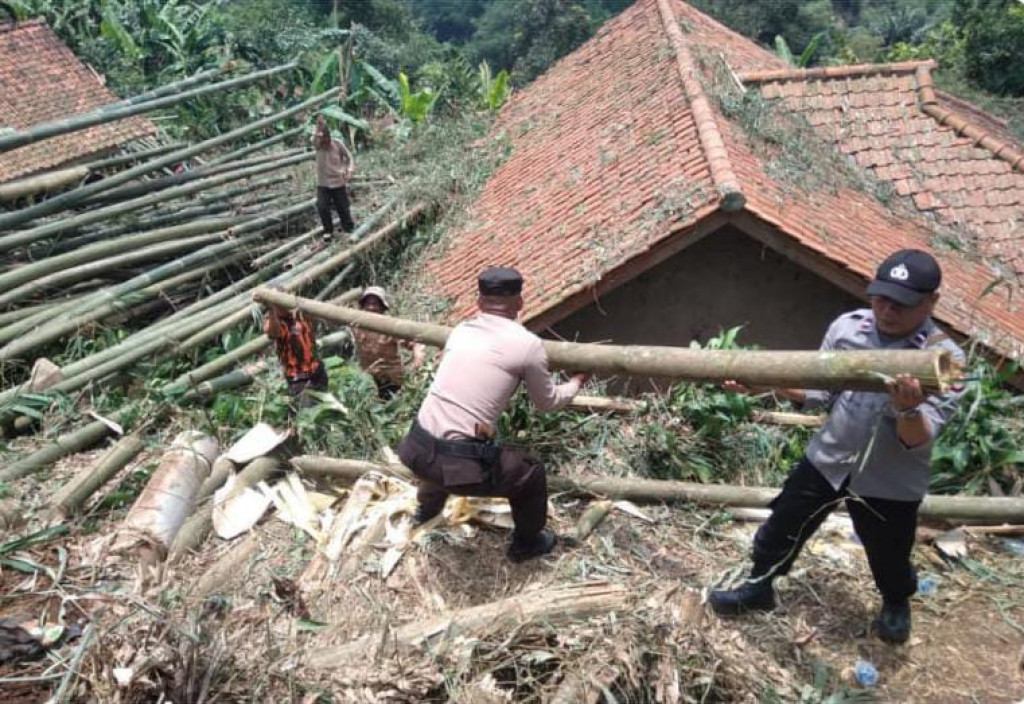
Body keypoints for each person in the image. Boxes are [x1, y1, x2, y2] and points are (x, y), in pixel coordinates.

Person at [708, 249, 965, 645]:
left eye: (902, 303)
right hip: (830, 455)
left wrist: (907, 409)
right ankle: (759, 586)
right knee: (782, 526)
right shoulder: (847, 329)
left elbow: (919, 437)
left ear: (931, 302)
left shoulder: (944, 361)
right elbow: (819, 392)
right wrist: (766, 384)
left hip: (890, 477)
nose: (887, 310)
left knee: (890, 554)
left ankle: (896, 603)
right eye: (881, 297)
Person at [397, 267, 589, 562]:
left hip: (414, 448)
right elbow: (547, 403)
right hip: (455, 465)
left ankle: (427, 510)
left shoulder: (461, 331)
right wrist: (575, 383)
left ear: (479, 300)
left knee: (444, 442)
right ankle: (527, 543)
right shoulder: (527, 346)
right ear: (520, 302)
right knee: (531, 473)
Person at [351, 286, 424, 400]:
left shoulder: (390, 326)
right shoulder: (358, 325)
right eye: (368, 304)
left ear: (382, 307)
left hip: (391, 380)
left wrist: (418, 358)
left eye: (375, 304)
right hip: (370, 379)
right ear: (363, 306)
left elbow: (414, 342)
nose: (371, 307)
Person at [263, 295, 328, 407]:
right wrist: (271, 310)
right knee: (308, 415)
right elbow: (272, 332)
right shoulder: (276, 321)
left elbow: (320, 316)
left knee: (324, 408)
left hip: (317, 371)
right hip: (299, 378)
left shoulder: (301, 315)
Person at [313, 114, 355, 238]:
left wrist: (350, 170)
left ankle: (349, 228)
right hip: (323, 183)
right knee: (322, 207)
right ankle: (328, 231)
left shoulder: (337, 144)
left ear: (329, 137)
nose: (324, 144)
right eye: (322, 141)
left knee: (343, 207)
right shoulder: (317, 144)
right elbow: (315, 138)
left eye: (326, 141)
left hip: (338, 181)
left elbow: (350, 157)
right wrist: (318, 126)